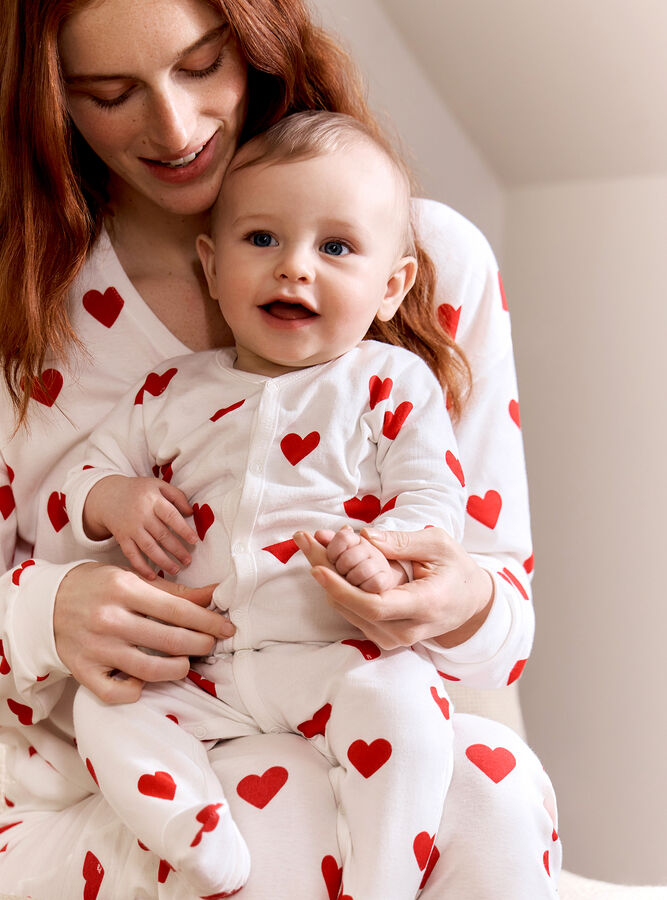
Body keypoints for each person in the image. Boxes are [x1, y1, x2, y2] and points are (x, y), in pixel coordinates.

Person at [0, 1, 560, 898]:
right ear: (46, 103)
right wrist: (46, 611)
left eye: (203, 64)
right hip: (119, 794)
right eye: (110, 92)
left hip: (340, 708)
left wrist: (455, 596)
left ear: (260, 45)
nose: (174, 127)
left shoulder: (426, 259)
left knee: (498, 787)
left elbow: (499, 629)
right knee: (275, 800)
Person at [64, 110, 466, 899]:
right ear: (210, 267)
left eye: (336, 247)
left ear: (391, 285)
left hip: (336, 653)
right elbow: (82, 472)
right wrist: (114, 497)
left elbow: (431, 498)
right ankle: (194, 834)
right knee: (102, 705)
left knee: (410, 712)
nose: (295, 269)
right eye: (261, 240)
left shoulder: (387, 383)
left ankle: (381, 884)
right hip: (198, 667)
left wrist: (380, 553)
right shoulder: (173, 389)